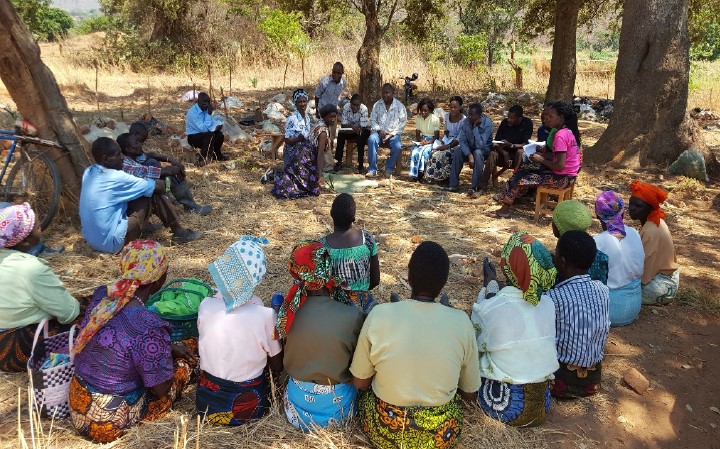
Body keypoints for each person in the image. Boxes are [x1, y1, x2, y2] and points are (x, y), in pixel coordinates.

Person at [351, 241, 481, 449]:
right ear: (444, 281)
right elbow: (469, 393)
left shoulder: (378, 315)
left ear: (409, 277)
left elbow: (360, 383)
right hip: (439, 433)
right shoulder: (462, 323)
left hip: (386, 430)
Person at [69, 241, 198, 442]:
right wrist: (170, 358)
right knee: (187, 362)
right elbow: (161, 388)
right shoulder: (149, 326)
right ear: (159, 280)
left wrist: (166, 348)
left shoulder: (104, 295)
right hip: (108, 421)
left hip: (78, 403)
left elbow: (119, 343)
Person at [472, 232, 558, 426]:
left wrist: (487, 292)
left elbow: (475, 345)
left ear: (506, 265)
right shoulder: (548, 303)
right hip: (541, 405)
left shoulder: (492, 308)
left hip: (506, 406)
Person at [276, 241, 363, 431]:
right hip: (337, 412)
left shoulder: (287, 313)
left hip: (295, 409)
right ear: (328, 270)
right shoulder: (351, 316)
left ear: (296, 272)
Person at [196, 236, 283, 426]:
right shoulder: (265, 315)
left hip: (206, 404)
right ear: (257, 278)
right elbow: (277, 365)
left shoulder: (205, 305)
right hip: (247, 408)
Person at [80, 138, 202, 253]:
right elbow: (159, 187)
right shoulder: (117, 177)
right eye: (118, 155)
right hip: (112, 243)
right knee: (152, 194)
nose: (123, 157)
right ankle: (179, 231)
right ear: (106, 159)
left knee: (141, 191)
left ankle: (146, 226)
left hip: (93, 241)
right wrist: (157, 179)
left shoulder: (89, 171)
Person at [0, 203, 80, 372]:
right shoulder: (31, 268)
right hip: (14, 351)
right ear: (25, 241)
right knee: (89, 315)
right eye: (37, 227)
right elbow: (69, 313)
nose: (41, 230)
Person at [547, 231, 610, 399]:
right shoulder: (603, 291)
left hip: (560, 382)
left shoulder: (554, 297)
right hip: (592, 382)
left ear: (562, 261)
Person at [493, 101, 581, 218]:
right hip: (568, 176)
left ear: (561, 117)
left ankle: (505, 208)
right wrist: (543, 155)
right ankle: (507, 199)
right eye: (546, 116)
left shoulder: (560, 135)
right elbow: (560, 157)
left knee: (521, 178)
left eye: (550, 116)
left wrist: (541, 160)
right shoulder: (567, 132)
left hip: (562, 178)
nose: (547, 119)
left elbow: (560, 165)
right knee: (524, 168)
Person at [117, 133, 211, 215]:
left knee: (155, 164)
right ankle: (177, 206)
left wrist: (170, 160)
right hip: (132, 200)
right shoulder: (126, 164)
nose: (140, 144)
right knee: (164, 174)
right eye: (136, 143)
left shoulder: (133, 155)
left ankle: (189, 206)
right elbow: (148, 171)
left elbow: (150, 155)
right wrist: (172, 169)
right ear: (128, 149)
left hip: (140, 191)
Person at [320, 193, 380, 311]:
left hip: (333, 306)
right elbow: (375, 280)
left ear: (331, 215)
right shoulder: (366, 239)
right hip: (362, 304)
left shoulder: (322, 246)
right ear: (354, 217)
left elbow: (320, 283)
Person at [594, 191, 645, 326]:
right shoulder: (634, 233)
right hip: (634, 306)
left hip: (610, 311)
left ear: (597, 215)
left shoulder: (598, 241)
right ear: (622, 213)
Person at [627, 181, 680, 305]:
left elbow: (645, 266)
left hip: (661, 287)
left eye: (638, 206)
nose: (632, 208)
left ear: (650, 208)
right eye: (631, 203)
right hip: (669, 279)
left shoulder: (651, 230)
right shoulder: (654, 223)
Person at [272, 102, 337, 199]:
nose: (333, 119)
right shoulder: (323, 131)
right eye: (330, 117)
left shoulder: (319, 124)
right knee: (310, 189)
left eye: (335, 117)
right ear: (324, 117)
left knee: (296, 179)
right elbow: (320, 154)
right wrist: (319, 177)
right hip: (305, 158)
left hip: (302, 154)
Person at [551, 199, 609, 284]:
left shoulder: (560, 263)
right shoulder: (602, 258)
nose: (552, 223)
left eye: (554, 220)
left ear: (560, 228)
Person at [443, 103, 493, 196]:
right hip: (470, 148)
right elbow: (462, 140)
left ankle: (475, 187)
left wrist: (475, 128)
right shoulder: (466, 122)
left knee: (478, 153)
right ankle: (453, 184)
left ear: (479, 115)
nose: (469, 117)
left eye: (472, 115)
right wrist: (469, 155)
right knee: (458, 152)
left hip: (484, 149)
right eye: (469, 114)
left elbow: (480, 144)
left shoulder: (488, 124)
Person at [482, 104, 533, 189]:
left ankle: (515, 185)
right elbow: (496, 142)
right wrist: (504, 153)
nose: (509, 120)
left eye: (512, 118)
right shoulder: (504, 123)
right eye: (508, 117)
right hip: (503, 155)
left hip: (517, 157)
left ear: (519, 118)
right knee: (492, 154)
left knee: (520, 152)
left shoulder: (527, 123)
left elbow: (526, 145)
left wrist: (511, 145)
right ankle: (482, 185)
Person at [367, 84, 407, 178]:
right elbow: (372, 120)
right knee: (371, 139)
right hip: (379, 133)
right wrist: (379, 130)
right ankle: (372, 169)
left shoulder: (399, 106)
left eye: (387, 93)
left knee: (397, 146)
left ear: (393, 93)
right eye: (383, 93)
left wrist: (391, 134)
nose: (385, 95)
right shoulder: (377, 105)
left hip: (393, 134)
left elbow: (402, 122)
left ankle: (389, 169)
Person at [426, 96, 465, 183]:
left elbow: (459, 138)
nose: (452, 109)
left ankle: (446, 178)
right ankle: (433, 176)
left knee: (444, 154)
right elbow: (446, 132)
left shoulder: (464, 120)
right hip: (448, 141)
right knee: (433, 152)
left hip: (457, 144)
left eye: (455, 107)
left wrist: (447, 146)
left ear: (460, 107)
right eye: (451, 107)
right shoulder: (447, 116)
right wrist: (443, 141)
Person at [185, 92, 228, 166]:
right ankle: (202, 159)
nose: (207, 104)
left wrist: (217, 126)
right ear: (198, 101)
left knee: (219, 135)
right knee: (209, 135)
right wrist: (209, 114)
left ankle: (217, 155)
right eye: (204, 101)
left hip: (203, 134)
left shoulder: (205, 109)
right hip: (193, 137)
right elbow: (203, 129)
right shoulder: (193, 113)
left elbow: (211, 123)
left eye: (208, 101)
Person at [335, 94, 371, 173]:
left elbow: (362, 126)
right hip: (351, 129)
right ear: (350, 103)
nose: (355, 107)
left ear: (360, 104)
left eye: (357, 105)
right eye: (353, 105)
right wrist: (352, 128)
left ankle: (360, 164)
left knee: (360, 136)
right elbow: (343, 124)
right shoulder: (346, 107)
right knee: (341, 134)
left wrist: (353, 128)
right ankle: (338, 161)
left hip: (363, 130)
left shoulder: (364, 109)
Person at [408, 98, 440, 182]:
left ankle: (421, 174)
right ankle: (414, 174)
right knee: (414, 151)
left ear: (430, 110)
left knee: (424, 153)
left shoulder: (435, 119)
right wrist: (421, 140)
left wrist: (427, 142)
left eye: (426, 110)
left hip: (432, 141)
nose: (423, 112)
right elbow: (417, 134)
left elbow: (436, 137)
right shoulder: (418, 118)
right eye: (421, 110)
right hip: (422, 140)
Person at [315, 62, 346, 148]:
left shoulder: (343, 82)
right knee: (322, 135)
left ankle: (329, 155)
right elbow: (317, 96)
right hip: (323, 111)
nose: (335, 74)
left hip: (333, 113)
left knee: (331, 136)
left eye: (338, 73)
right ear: (332, 71)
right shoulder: (324, 81)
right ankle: (322, 156)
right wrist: (317, 111)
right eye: (334, 72)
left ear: (342, 73)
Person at [283, 88, 313, 168]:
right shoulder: (292, 119)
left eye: (304, 101)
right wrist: (298, 139)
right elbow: (287, 139)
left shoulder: (308, 117)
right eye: (300, 102)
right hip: (293, 152)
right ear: (295, 103)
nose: (303, 104)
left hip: (305, 150)